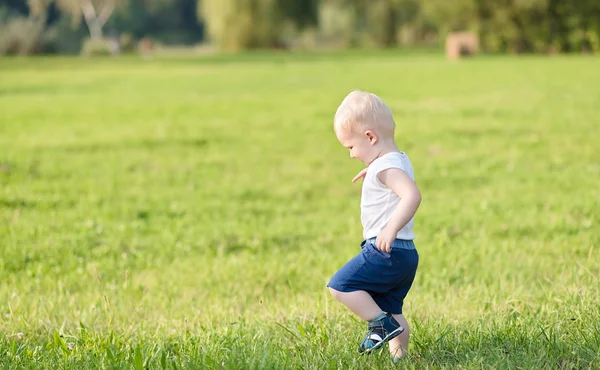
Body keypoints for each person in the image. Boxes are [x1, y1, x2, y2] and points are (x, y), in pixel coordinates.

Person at [327, 90, 421, 361]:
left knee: (340, 285)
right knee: (394, 309)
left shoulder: (386, 168)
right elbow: (394, 178)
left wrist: (390, 229)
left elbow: (412, 195)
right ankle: (399, 358)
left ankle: (379, 324)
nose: (351, 155)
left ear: (370, 137)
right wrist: (374, 172)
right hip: (406, 254)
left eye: (351, 147)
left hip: (385, 250)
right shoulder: (397, 160)